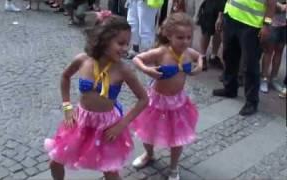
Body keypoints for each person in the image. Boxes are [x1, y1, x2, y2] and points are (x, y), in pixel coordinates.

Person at [44, 12, 148, 180]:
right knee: (55, 162)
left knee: (110, 172)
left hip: (107, 126)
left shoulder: (123, 70)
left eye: (127, 44)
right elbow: (65, 77)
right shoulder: (83, 60)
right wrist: (67, 106)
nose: (125, 48)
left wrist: (122, 125)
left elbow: (144, 99)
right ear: (104, 39)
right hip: (80, 121)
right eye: (120, 43)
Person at [131, 12, 202, 180]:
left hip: (178, 102)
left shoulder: (188, 52)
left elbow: (199, 56)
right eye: (180, 37)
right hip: (157, 101)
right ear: (169, 36)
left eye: (188, 37)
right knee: (147, 131)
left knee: (177, 137)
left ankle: (173, 167)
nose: (185, 41)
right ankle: (149, 154)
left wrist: (199, 65)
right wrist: (147, 69)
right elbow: (137, 59)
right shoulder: (161, 52)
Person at [212, 0, 276, 116]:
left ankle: (251, 101)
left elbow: (271, 3)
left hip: (252, 25)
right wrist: (221, 15)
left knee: (250, 65)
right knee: (229, 56)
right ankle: (230, 88)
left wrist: (267, 25)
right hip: (231, 16)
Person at [260, 0, 287, 93]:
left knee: (279, 50)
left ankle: (273, 79)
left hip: (284, 23)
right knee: (268, 51)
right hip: (272, 22)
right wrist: (279, 5)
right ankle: (264, 79)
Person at [197, 0, 226, 71]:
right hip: (211, 3)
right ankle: (202, 56)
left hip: (225, 3)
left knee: (219, 29)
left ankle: (213, 56)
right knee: (206, 29)